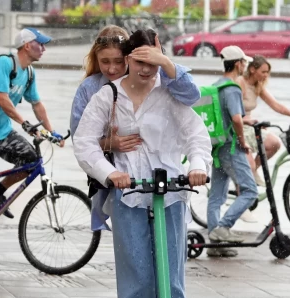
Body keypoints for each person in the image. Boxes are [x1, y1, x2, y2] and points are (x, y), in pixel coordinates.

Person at [73, 30, 211, 298]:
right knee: (138, 281)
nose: (146, 69)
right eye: (139, 61)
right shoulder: (109, 95)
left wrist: (197, 165)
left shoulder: (171, 94)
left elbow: (198, 135)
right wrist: (111, 172)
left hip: (171, 194)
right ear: (127, 60)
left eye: (154, 61)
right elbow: (83, 141)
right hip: (129, 195)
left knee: (173, 282)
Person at [70, 25, 200, 231]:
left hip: (163, 180)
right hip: (117, 173)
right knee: (130, 243)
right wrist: (109, 144)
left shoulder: (155, 82)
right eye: (105, 62)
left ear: (128, 59)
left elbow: (191, 98)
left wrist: (164, 61)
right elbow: (81, 138)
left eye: (118, 62)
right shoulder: (92, 89)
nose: (112, 69)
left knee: (169, 250)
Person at [0, 28, 65, 253]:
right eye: (41, 44)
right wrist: (24, 123)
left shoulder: (29, 73)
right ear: (27, 45)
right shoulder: (5, 64)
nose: (44, 49)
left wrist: (51, 132)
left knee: (30, 160)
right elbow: (2, 99)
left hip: (2, 131)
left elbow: (37, 104)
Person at [205, 46, 258, 257]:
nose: (245, 66)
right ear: (238, 64)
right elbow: (236, 119)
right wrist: (243, 142)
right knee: (250, 191)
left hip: (217, 147)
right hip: (232, 147)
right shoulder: (233, 88)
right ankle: (223, 228)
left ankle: (215, 244)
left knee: (216, 196)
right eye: (244, 62)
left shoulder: (216, 86)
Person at [237, 55, 290, 187]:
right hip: (237, 126)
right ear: (253, 70)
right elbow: (231, 110)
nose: (266, 75)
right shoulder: (240, 82)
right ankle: (248, 177)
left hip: (250, 126)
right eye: (263, 72)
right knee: (248, 167)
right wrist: (245, 119)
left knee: (274, 143)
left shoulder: (257, 86)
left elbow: (276, 105)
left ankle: (254, 171)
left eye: (267, 72)